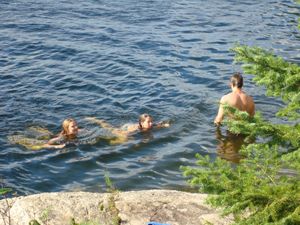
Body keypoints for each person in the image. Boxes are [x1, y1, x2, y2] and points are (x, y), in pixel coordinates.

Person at [86, 113, 170, 144]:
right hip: (126, 128)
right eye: (148, 122)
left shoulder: (151, 125)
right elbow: (125, 133)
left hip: (130, 128)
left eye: (151, 121)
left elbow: (158, 124)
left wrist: (164, 125)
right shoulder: (135, 128)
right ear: (141, 123)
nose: (151, 123)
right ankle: (96, 120)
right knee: (108, 127)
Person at [8, 118, 80, 150]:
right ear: (66, 128)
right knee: (35, 145)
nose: (76, 127)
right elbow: (47, 143)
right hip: (47, 139)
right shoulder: (62, 137)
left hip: (52, 135)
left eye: (76, 125)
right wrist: (58, 147)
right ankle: (15, 138)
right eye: (73, 126)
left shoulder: (77, 131)